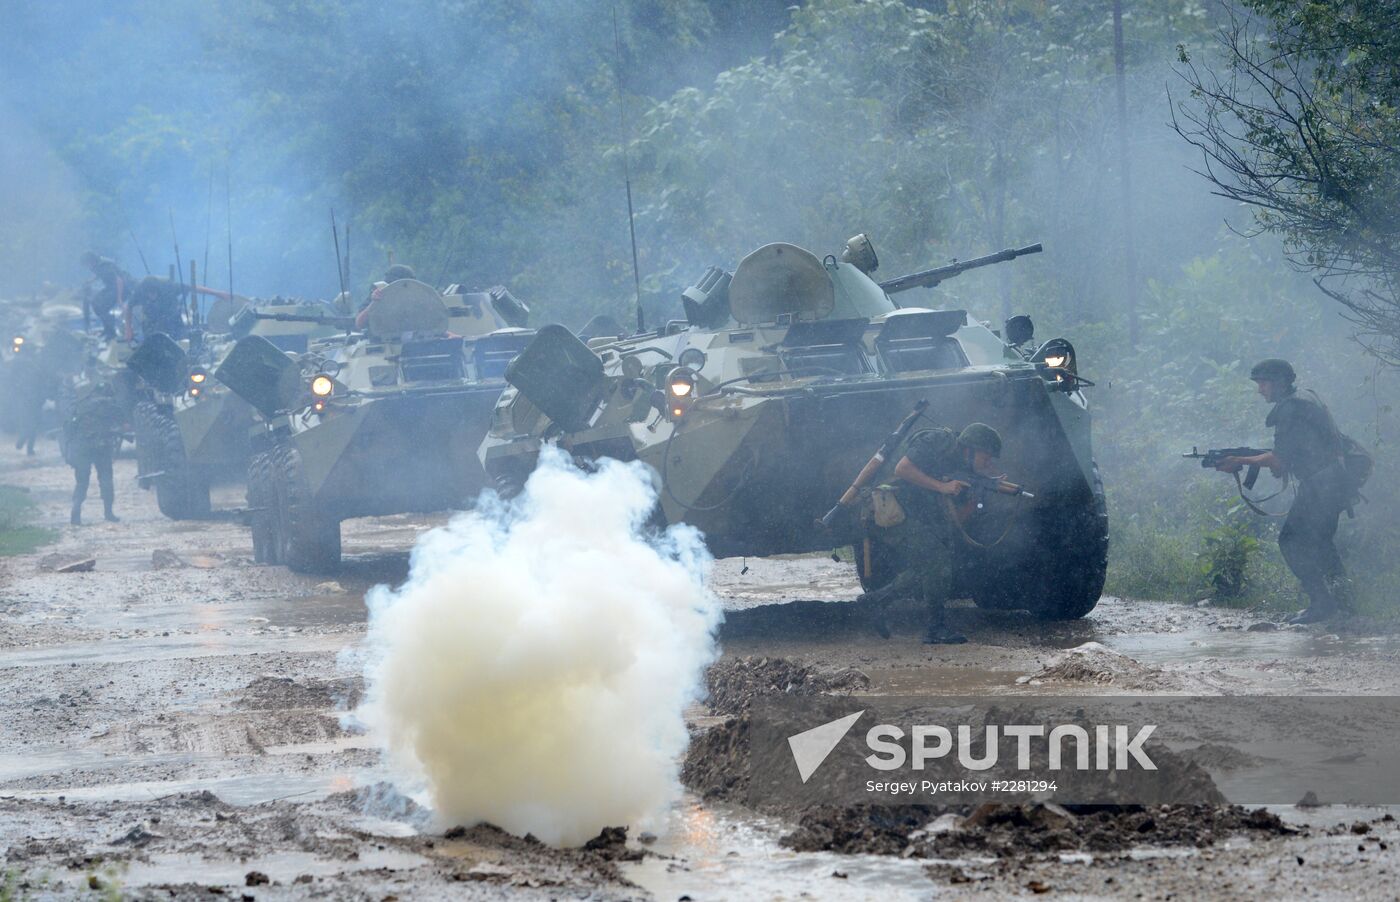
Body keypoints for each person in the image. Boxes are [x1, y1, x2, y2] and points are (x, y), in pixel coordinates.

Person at [1216, 359, 1350, 623]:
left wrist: (1239, 461)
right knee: (1322, 543)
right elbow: (1297, 452)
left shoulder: (1291, 407)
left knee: (1290, 541)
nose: (1260, 389)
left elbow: (1278, 460)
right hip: (1331, 481)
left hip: (1321, 485)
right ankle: (1346, 604)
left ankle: (1322, 604)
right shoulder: (1303, 399)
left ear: (1279, 382)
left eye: (1263, 382)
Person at [859, 422, 1005, 644]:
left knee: (929, 566)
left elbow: (954, 520)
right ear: (971, 448)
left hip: (912, 514)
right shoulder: (938, 442)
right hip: (887, 509)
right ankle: (935, 628)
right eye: (987, 457)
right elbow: (902, 468)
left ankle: (877, 600)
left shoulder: (963, 469)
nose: (988, 463)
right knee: (937, 561)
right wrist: (942, 486)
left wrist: (977, 499)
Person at [64, 381, 124, 525]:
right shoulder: (108, 404)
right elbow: (119, 420)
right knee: (106, 479)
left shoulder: (78, 405)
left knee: (81, 482)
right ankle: (108, 512)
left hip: (82, 448)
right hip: (102, 447)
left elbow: (69, 429)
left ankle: (76, 512)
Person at [80, 251, 129, 340]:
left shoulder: (105, 266)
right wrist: (91, 281)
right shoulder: (98, 265)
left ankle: (111, 332)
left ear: (91, 261)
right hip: (111, 288)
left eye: (87, 264)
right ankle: (108, 329)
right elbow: (99, 274)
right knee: (96, 303)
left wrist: (119, 298)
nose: (87, 267)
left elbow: (119, 280)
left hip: (121, 289)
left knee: (101, 306)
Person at [355, 263, 418, 329]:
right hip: (381, 338)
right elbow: (359, 323)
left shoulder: (417, 299)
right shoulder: (379, 293)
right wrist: (374, 303)